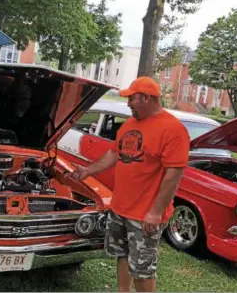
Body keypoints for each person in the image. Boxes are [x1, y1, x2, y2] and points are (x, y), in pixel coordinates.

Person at [66, 76, 190, 292]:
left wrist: (155, 212)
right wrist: (87, 170)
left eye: (131, 98)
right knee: (122, 256)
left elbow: (174, 175)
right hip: (119, 208)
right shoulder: (131, 124)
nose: (128, 103)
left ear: (145, 98)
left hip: (144, 215)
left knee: (143, 268)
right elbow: (114, 153)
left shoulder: (173, 130)